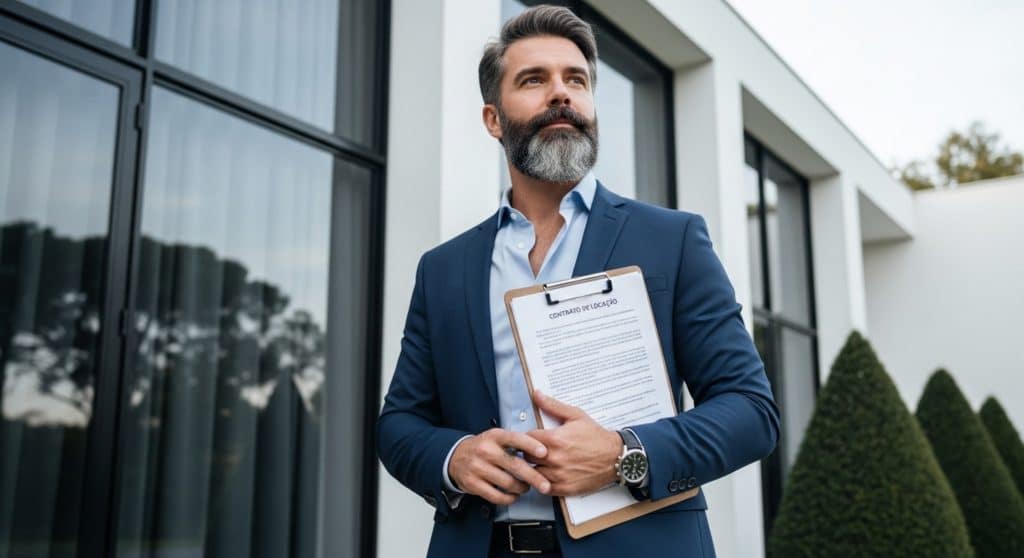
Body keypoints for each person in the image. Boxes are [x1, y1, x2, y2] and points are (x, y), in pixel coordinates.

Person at [377, 5, 779, 557]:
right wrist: (455, 458)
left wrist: (623, 453)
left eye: (576, 80)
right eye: (534, 80)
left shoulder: (673, 240)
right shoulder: (443, 268)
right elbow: (399, 425)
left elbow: (751, 412)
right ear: (494, 119)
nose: (560, 93)